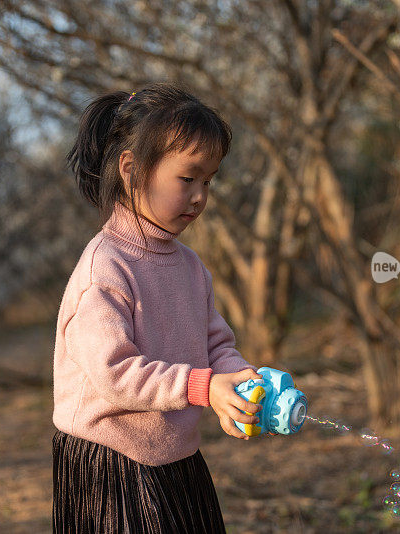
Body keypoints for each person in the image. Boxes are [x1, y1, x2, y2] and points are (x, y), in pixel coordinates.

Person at [52, 81, 265, 533]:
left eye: (208, 181)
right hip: (114, 464)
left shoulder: (189, 266)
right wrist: (205, 388)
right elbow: (116, 373)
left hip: (175, 456)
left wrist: (241, 379)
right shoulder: (105, 269)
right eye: (187, 178)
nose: (200, 195)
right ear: (131, 170)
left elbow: (214, 344)